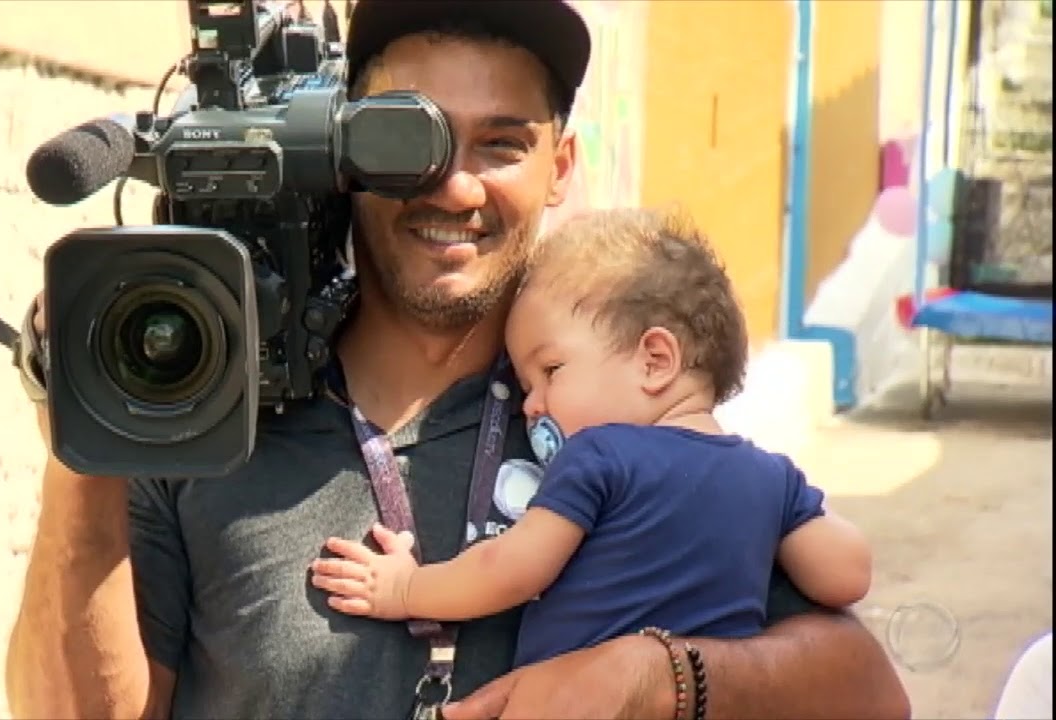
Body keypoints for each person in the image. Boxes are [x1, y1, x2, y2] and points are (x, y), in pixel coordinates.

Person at [4, 2, 911, 718]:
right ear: (343, 157)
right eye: (409, 137)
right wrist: (85, 446)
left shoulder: (603, 398)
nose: (456, 185)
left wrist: (657, 679)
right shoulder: (208, 404)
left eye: (502, 143)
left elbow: (867, 691)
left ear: (560, 166)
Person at [310, 208, 873, 670]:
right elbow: (847, 575)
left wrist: (405, 591)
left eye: (550, 370)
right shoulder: (771, 477)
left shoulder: (598, 455)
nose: (532, 406)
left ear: (655, 360)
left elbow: (509, 569)